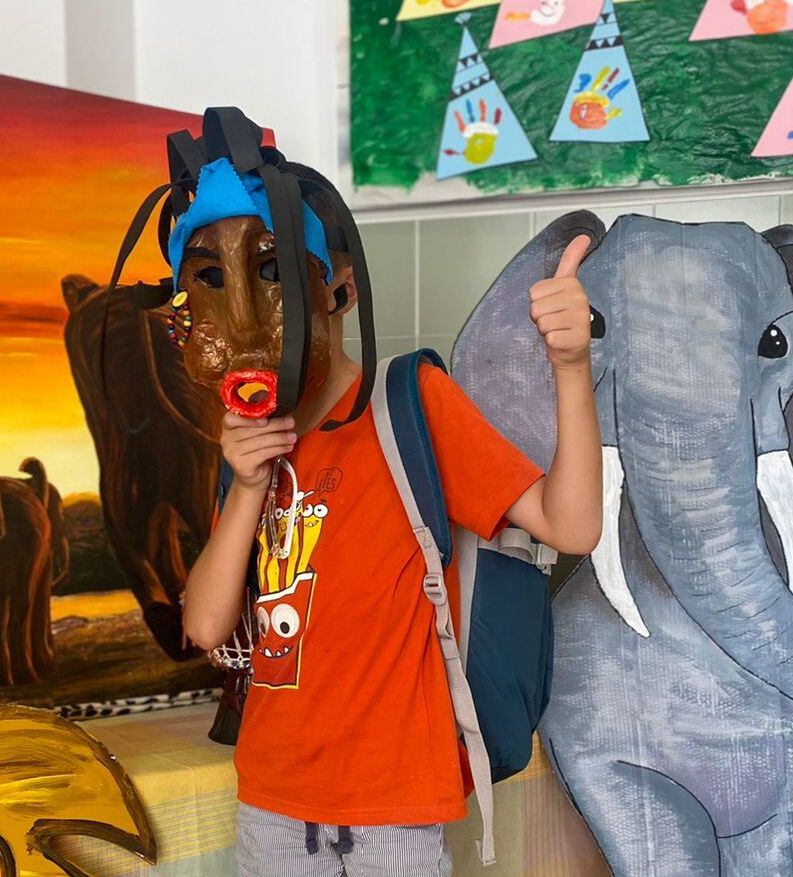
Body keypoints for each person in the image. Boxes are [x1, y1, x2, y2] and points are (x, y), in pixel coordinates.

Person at [174, 125, 602, 877]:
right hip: (272, 801)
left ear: (337, 292)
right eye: (210, 280)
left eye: (275, 272)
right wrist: (245, 486)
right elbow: (208, 624)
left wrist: (572, 366)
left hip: (397, 806)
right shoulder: (246, 443)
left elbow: (573, 525)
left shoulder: (411, 406)